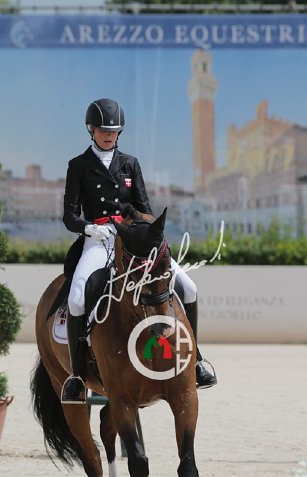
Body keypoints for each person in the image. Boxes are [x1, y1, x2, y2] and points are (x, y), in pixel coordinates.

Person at [62, 98, 217, 402]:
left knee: (189, 287)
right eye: (103, 130)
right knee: (77, 298)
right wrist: (89, 228)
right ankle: (77, 376)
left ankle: (196, 360)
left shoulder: (130, 163)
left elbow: (144, 208)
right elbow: (69, 216)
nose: (109, 135)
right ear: (91, 130)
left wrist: (148, 233)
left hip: (133, 241)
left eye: (114, 131)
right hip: (98, 240)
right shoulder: (78, 166)